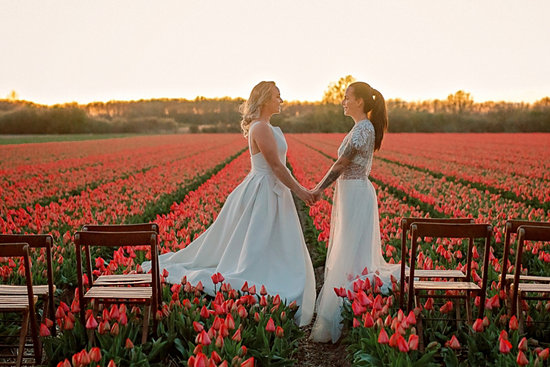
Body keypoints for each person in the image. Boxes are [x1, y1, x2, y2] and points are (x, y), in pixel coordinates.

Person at [142, 81, 316, 326]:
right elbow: (276, 166)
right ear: (265, 98)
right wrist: (301, 191)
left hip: (271, 188)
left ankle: (272, 276)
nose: (281, 100)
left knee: (271, 239)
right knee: (258, 239)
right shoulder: (261, 128)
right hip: (264, 189)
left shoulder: (269, 127)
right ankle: (259, 280)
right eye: (277, 96)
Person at [309, 81, 401, 342]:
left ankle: (353, 309)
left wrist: (317, 189)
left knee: (352, 250)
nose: (343, 101)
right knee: (349, 248)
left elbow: (341, 164)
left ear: (360, 101)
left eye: (347, 97)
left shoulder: (363, 129)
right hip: (352, 193)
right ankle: (355, 309)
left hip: (355, 193)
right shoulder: (361, 127)